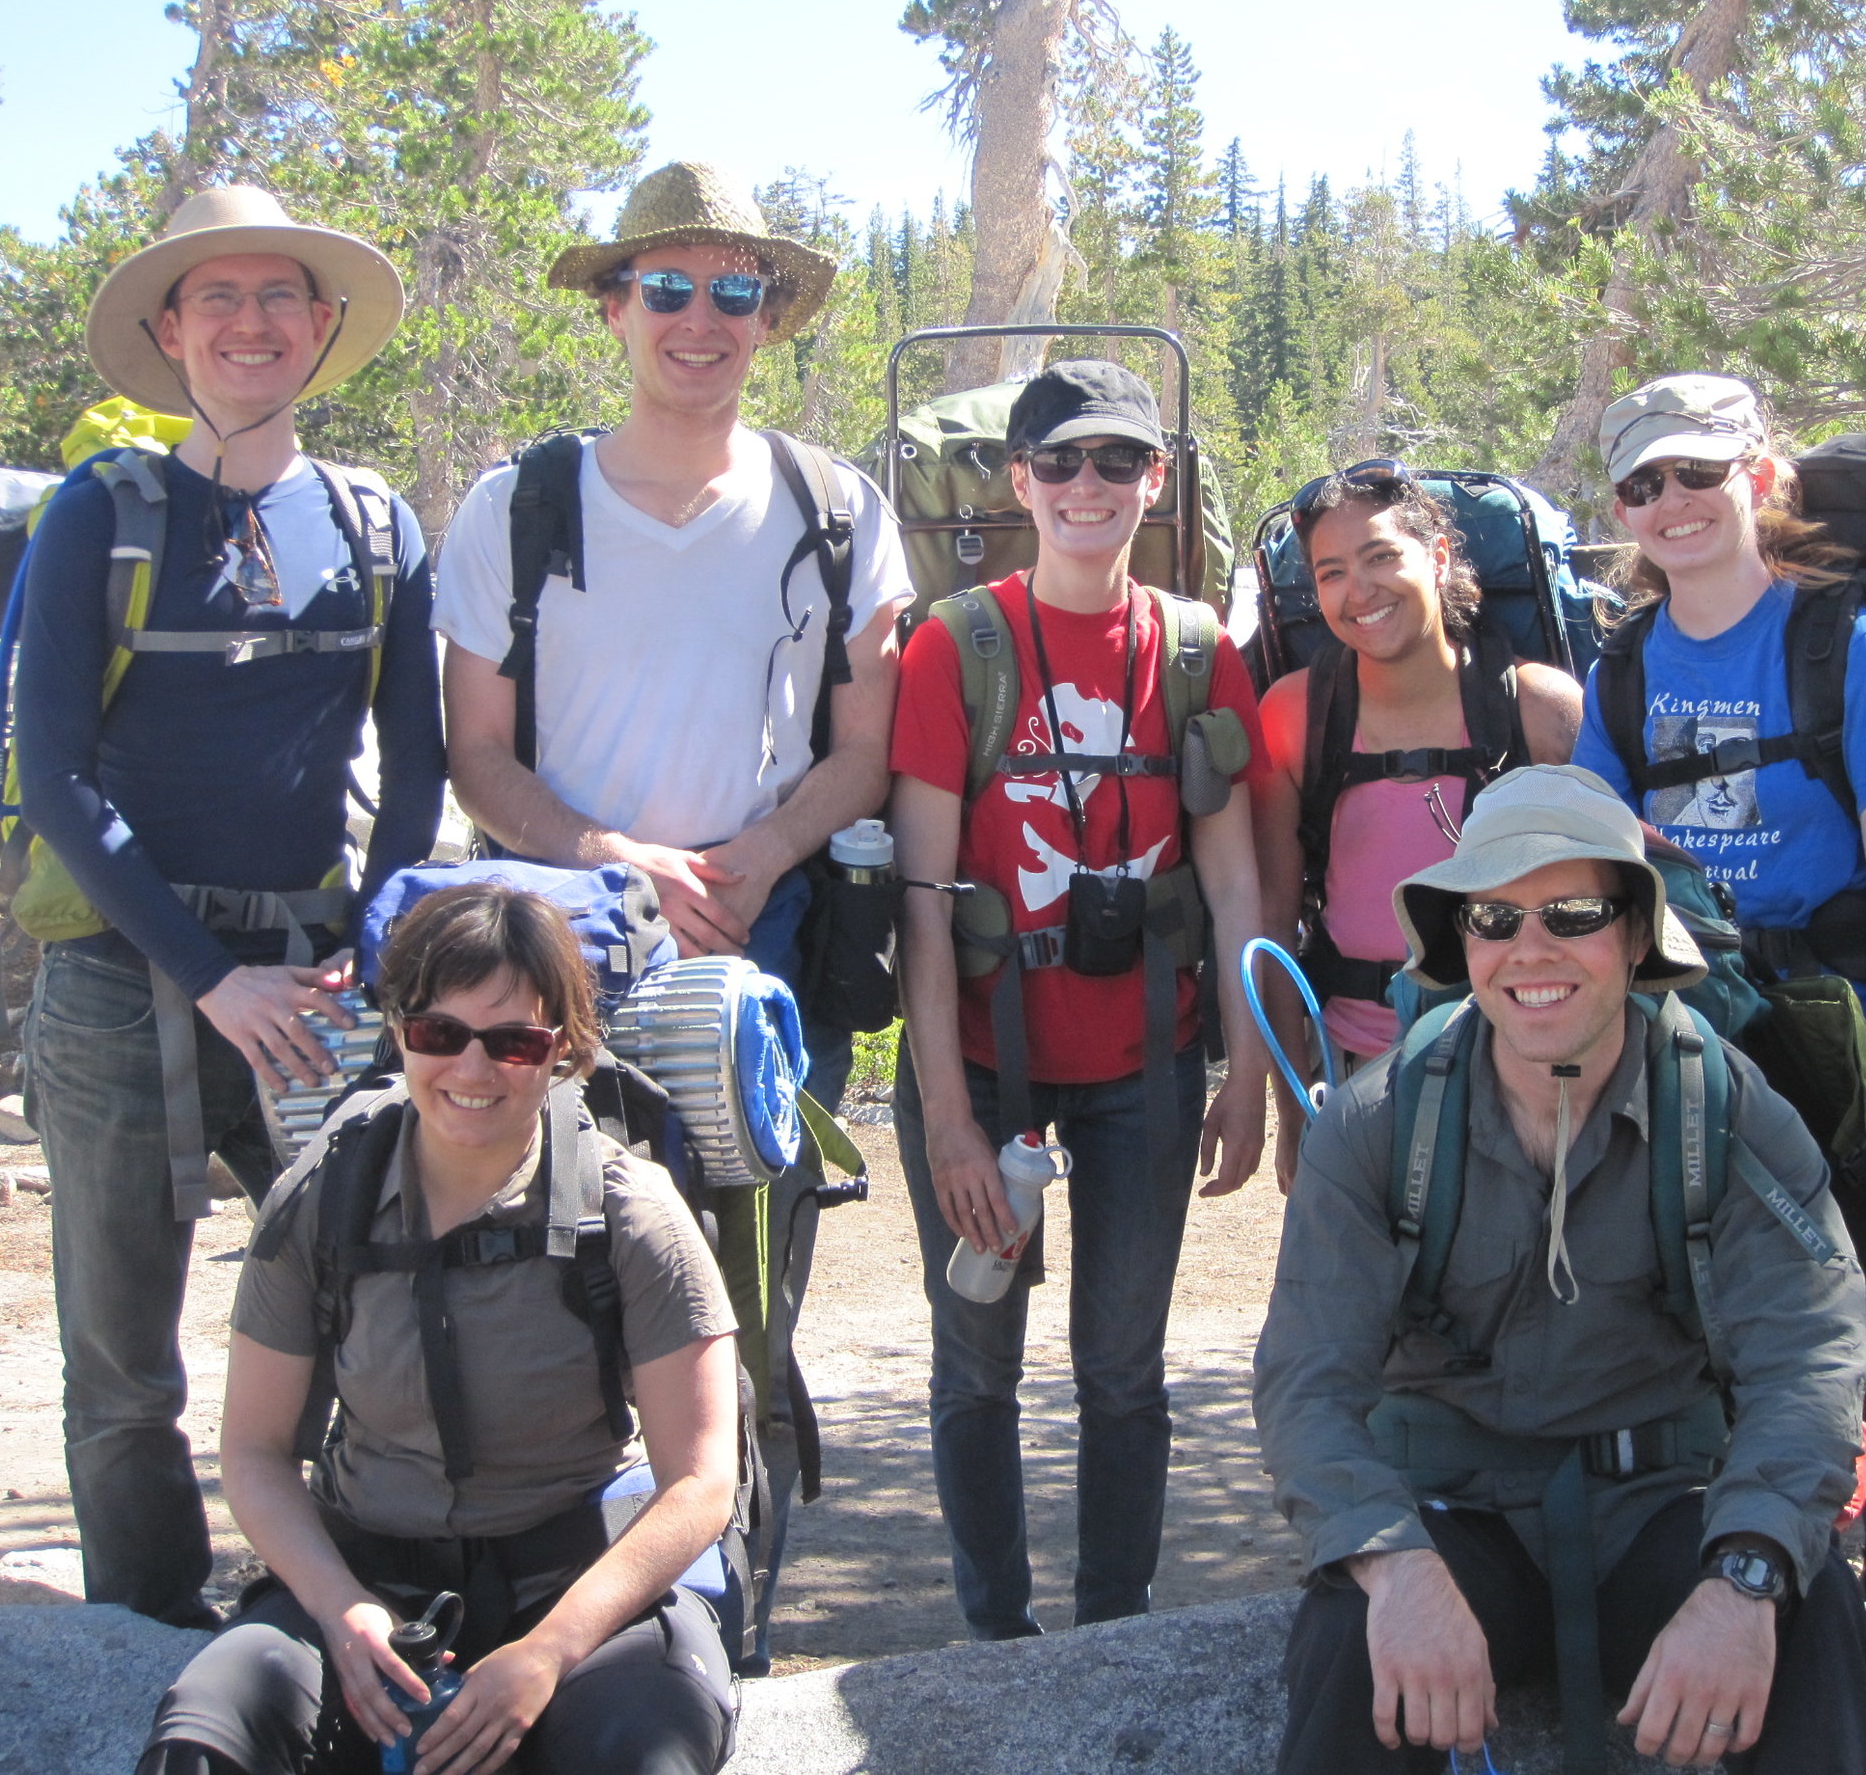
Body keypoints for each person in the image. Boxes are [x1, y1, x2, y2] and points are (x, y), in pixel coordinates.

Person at [1254, 765, 1866, 1774]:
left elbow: (1810, 1357)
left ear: (1636, 933)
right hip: (1453, 1516)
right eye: (1493, 918)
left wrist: (1747, 1577)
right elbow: (1305, 1381)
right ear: (1459, 940)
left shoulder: (1728, 1113)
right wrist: (1389, 1559)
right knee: (1346, 1649)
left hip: (1664, 1509)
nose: (1528, 951)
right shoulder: (1379, 1124)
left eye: (1573, 912)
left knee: (1808, 1620)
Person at [20, 185, 442, 1628]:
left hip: (316, 987)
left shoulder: (376, 524)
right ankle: (143, 1635)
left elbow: (419, 772)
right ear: (169, 329)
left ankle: (342, 1605)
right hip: (122, 983)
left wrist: (366, 949)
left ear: (323, 328)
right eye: (218, 298)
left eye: (280, 297)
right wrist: (212, 974)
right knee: (125, 1358)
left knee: (370, 1312)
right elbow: (58, 778)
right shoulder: (101, 514)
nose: (251, 324)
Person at [138, 882, 741, 1775]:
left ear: (563, 1051)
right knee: (204, 1736)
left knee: (639, 1756)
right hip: (367, 1587)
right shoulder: (321, 1199)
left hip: (578, 1595)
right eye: (439, 1033)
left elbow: (699, 1483)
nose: (471, 1068)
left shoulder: (632, 1214)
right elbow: (257, 1453)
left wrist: (551, 1650)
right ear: (399, 1031)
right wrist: (340, 1609)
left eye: (513, 1041)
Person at [1569, 372, 1866, 1606]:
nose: (1672, 502)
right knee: (1739, 1341)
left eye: (1697, 472)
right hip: (1713, 1041)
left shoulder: (1847, 642)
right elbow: (1602, 873)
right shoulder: (1623, 673)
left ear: (1757, 473)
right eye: (1643, 484)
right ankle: (1763, 1608)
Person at [889, 358, 1272, 1639]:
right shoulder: (956, 646)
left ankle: (1115, 1630)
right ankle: (994, 1629)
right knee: (977, 1363)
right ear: (1019, 480)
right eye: (1059, 462)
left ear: (1153, 482)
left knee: (1121, 1371)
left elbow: (1231, 890)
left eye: (1117, 461)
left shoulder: (1198, 651)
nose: (1086, 486)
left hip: (1142, 1063)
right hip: (986, 1066)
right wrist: (949, 1120)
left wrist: (1247, 1076)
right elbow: (926, 898)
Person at [433, 159, 911, 1109]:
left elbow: (867, 750)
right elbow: (474, 753)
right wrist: (617, 861)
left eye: (734, 290)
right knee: (562, 1246)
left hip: (765, 926)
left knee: (759, 1252)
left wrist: (761, 857)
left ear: (766, 320)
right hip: (555, 941)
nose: (701, 319)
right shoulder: (515, 512)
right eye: (666, 288)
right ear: (616, 309)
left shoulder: (841, 514)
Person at [1252, 461, 1583, 1186]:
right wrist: (1292, 1111)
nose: (1359, 590)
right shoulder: (1292, 715)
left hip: (1522, 1070)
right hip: (1355, 1075)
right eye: (1332, 572)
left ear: (1437, 558)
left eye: (1381, 557)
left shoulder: (1539, 709)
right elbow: (1272, 923)